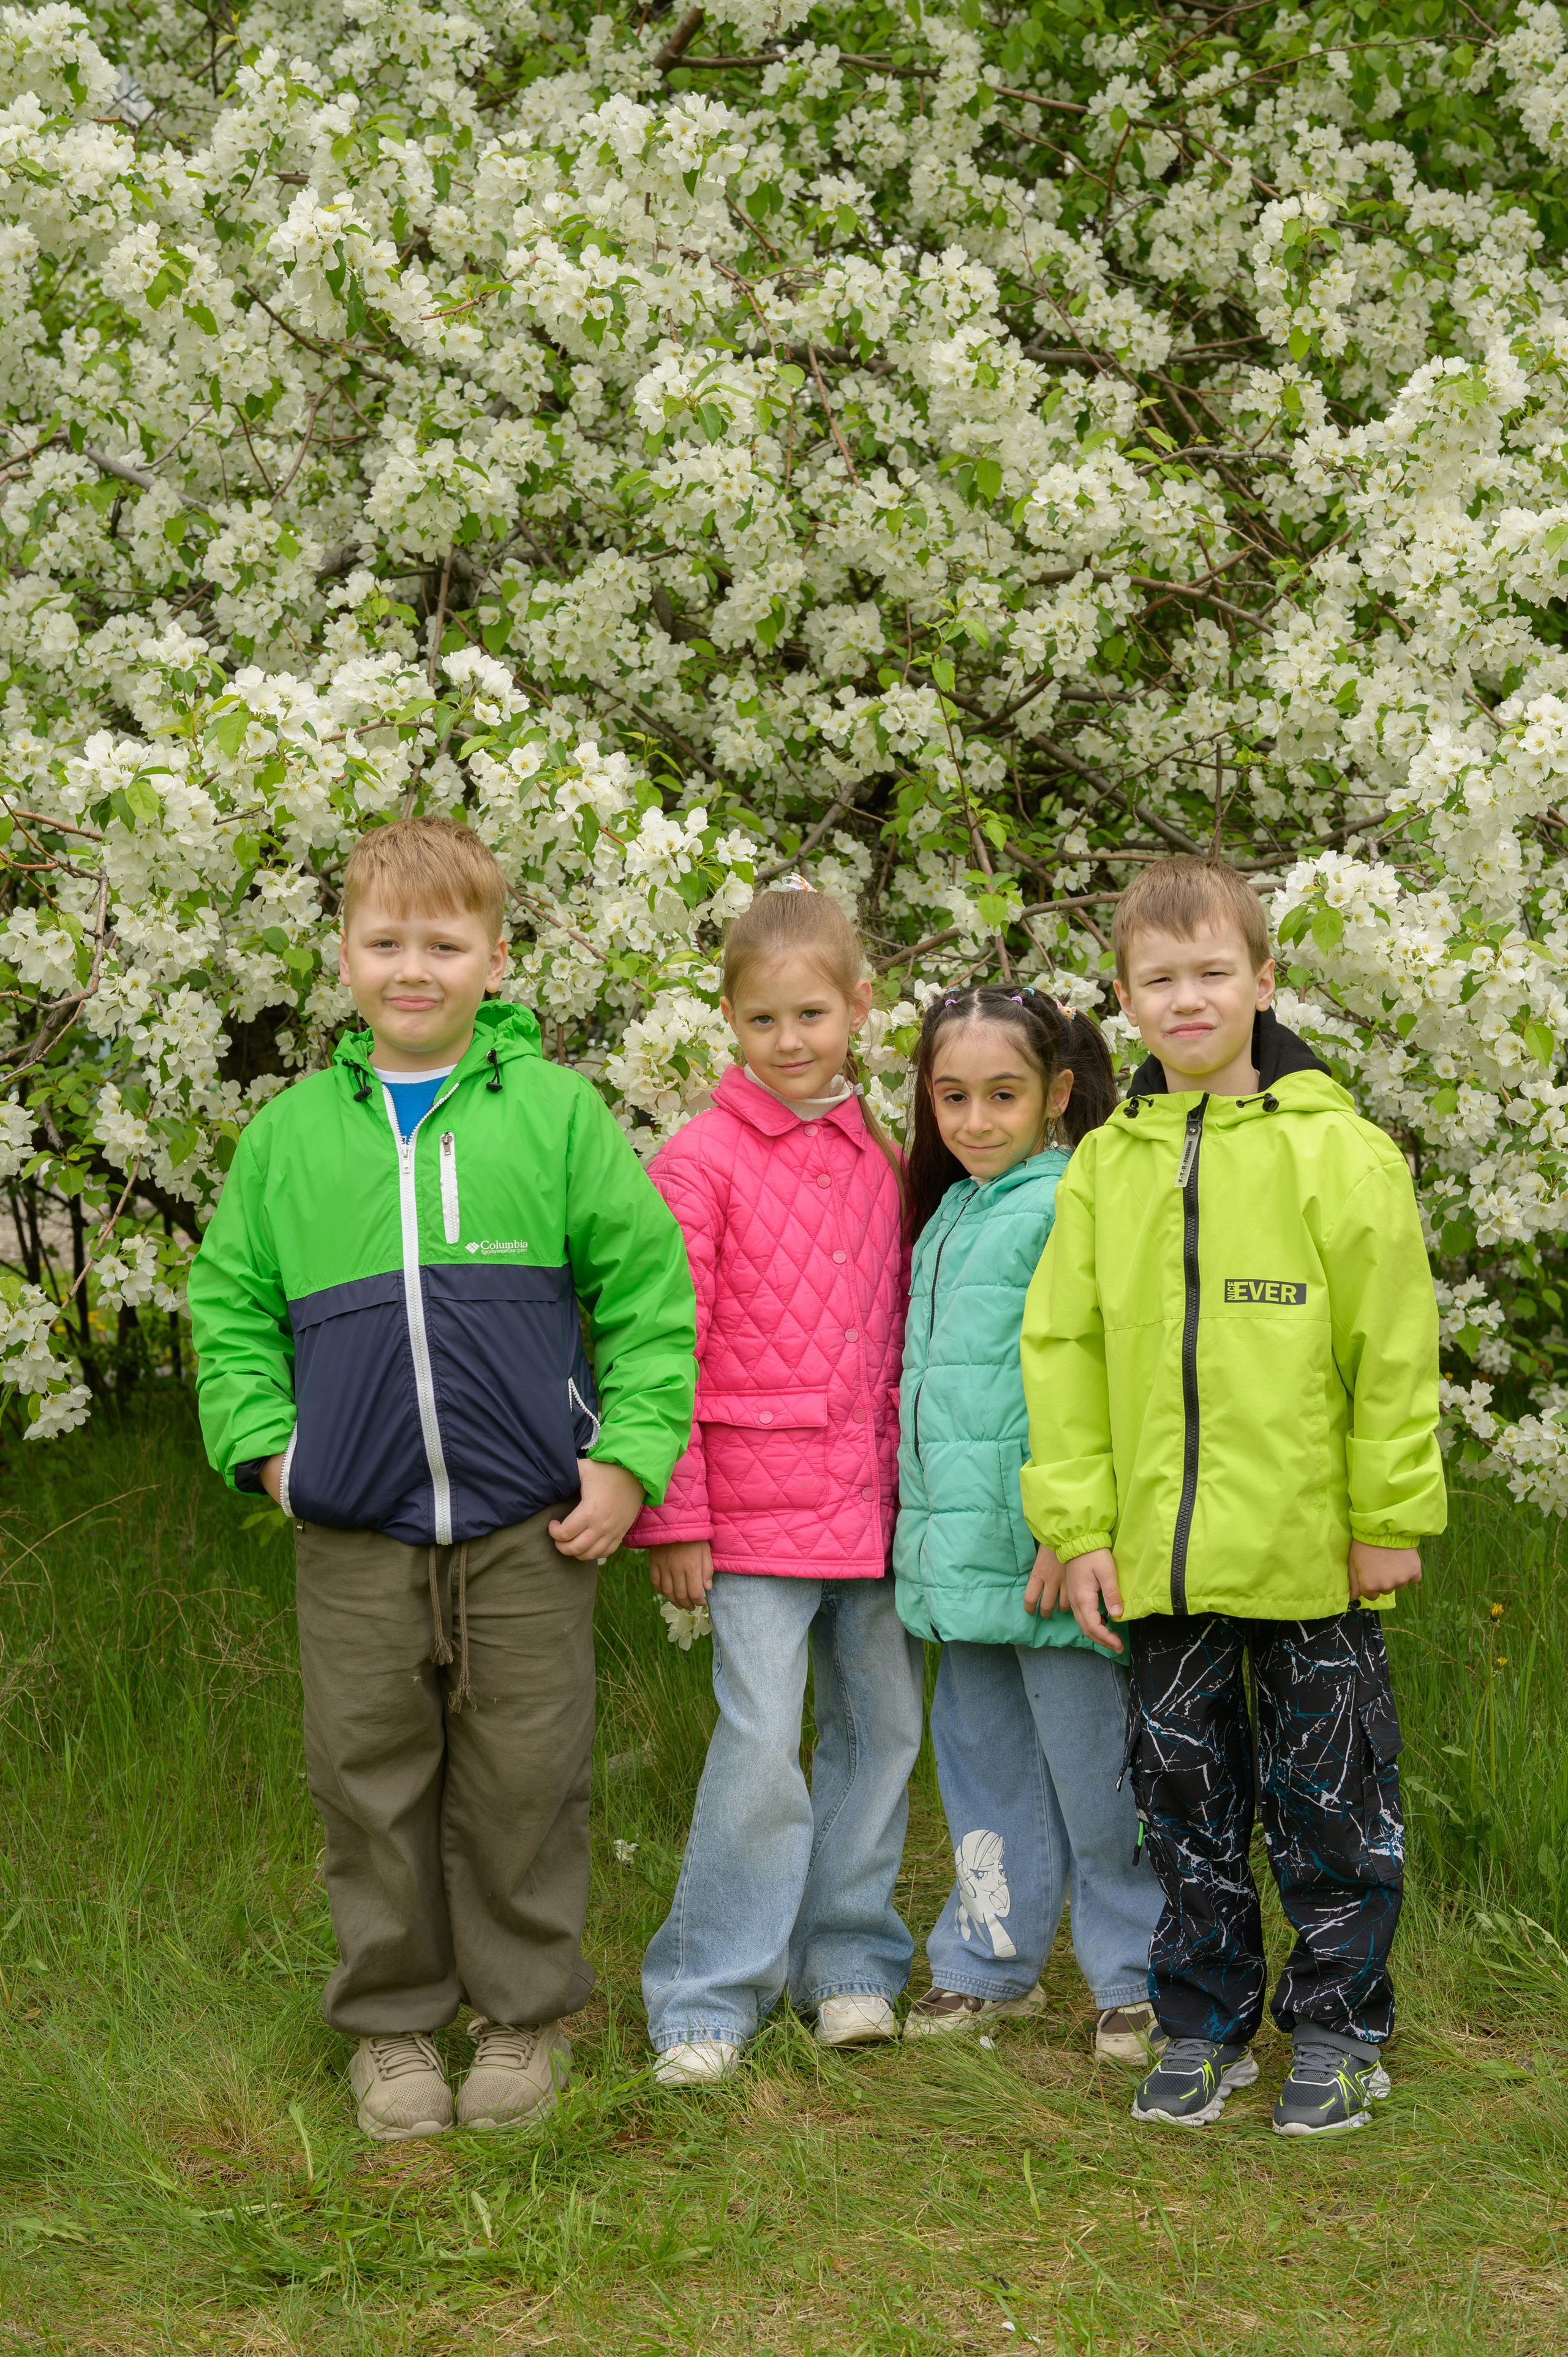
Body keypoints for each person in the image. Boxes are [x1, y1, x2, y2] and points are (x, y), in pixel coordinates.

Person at [187, 815, 696, 2141]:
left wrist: (630, 1460)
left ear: (494, 956)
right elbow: (229, 1306)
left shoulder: (554, 1114)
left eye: (443, 943)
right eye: (384, 942)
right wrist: (270, 1453)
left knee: (527, 1772)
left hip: (534, 1526)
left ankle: (522, 2012)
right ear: (343, 959)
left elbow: (644, 1294)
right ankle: (395, 2023)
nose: (413, 967)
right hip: (352, 1530)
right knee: (367, 1772)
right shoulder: (291, 1136)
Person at [1020, 855, 1445, 2136]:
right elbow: (1065, 1350)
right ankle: (1202, 2021)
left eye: (1212, 972)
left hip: (1312, 1555)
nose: (1187, 997)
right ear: (1125, 999)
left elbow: (1392, 1343)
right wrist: (1078, 1529)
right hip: (1160, 1562)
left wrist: (1385, 1517)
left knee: (1331, 1803)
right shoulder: (1104, 1167)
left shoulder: (1341, 1154)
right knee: (1181, 1800)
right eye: (1159, 978)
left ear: (1261, 983)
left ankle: (1337, 2025)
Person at [630, 883, 924, 2086]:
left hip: (870, 1507)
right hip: (747, 1513)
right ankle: (706, 1990)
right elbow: (659, 1340)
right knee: (759, 1740)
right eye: (761, 1020)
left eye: (810, 1013)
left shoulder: (885, 1158)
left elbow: (908, 1330)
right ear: (728, 1022)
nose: (789, 1040)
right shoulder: (696, 1162)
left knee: (879, 1730)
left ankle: (848, 1965)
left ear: (858, 1006)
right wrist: (675, 1513)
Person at [893, 986, 1164, 2063]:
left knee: (1102, 1784)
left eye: (1003, 1095)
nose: (975, 1121)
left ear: (1056, 1094)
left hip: (1055, 1564)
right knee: (984, 1776)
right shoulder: (950, 1212)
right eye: (952, 1096)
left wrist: (1073, 1522)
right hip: (964, 1566)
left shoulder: (1069, 1202)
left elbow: (1098, 1376)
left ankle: (1136, 1979)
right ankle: (986, 1963)